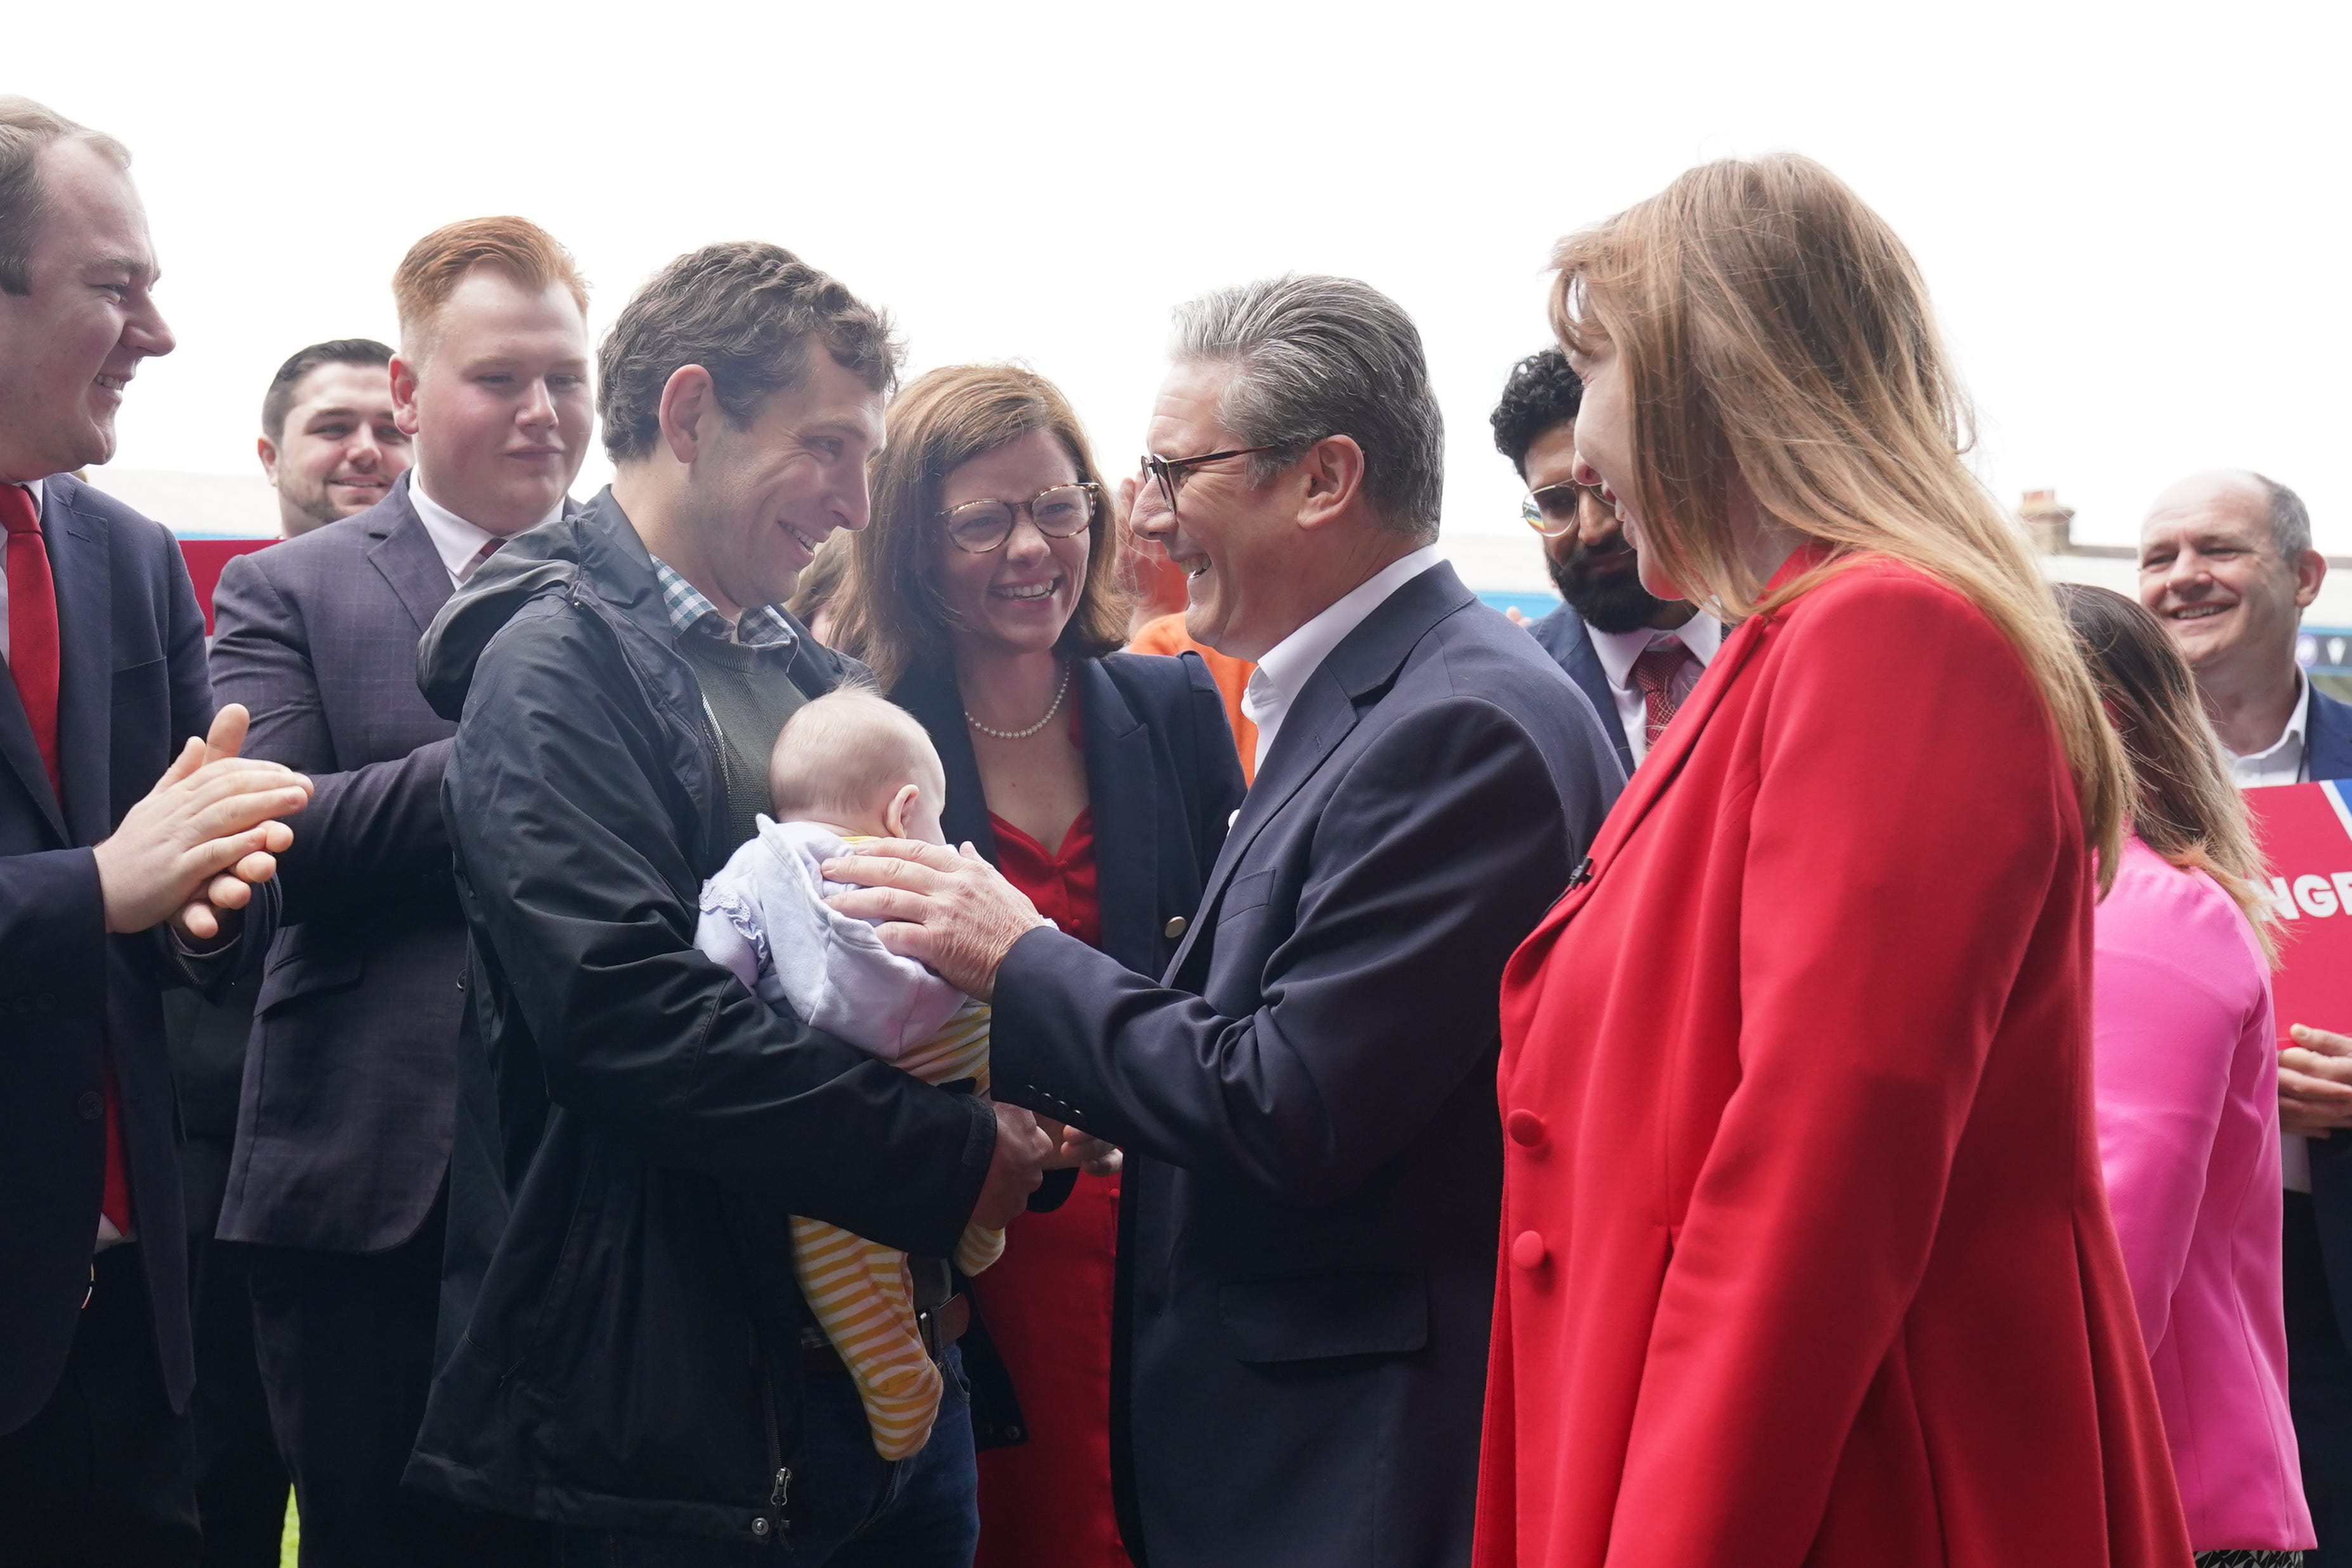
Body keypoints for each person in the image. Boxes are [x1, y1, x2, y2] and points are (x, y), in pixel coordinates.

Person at [825, 277, 1621, 1568]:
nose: (1144, 513)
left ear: (1324, 479)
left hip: (1352, 1447)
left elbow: (1287, 1101)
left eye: (1174, 470)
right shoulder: (1386, 693)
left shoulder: (1453, 725)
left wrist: (1015, 954)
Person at [1475, 154, 2190, 1567]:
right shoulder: (1814, 640)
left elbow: (1818, 1180)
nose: (1588, 454)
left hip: (1844, 1488)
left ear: (1703, 372)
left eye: (1595, 373)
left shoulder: (1885, 638)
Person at [407, 240, 1057, 1565]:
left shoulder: (816, 674)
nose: (856, 503)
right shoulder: (554, 661)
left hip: (884, 1391)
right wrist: (952, 1156)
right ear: (690, 412)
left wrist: (1047, 1096)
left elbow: (935, 935)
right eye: (827, 446)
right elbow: (623, 1015)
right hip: (682, 1424)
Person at [208, 216, 592, 1567]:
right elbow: (271, 839)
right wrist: (534, 744)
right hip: (369, 1192)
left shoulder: (657, 596)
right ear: (413, 394)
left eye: (568, 377)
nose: (545, 413)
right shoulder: (285, 589)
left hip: (602, 1178)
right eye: (501, 380)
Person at [823, 362, 1245, 1567]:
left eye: (1057, 508)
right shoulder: (857, 722)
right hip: (969, 1239)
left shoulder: (1168, 702)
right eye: (981, 519)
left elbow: (1221, 964)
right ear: (911, 544)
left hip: (1163, 1231)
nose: (1030, 547)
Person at [0, 95, 313, 1565]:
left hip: (129, 1333)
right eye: (115, 288)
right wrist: (100, 888)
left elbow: (183, 896)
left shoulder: (123, 557)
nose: (162, 333)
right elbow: (106, 876)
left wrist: (210, 896)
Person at [2060, 582, 2314, 1566]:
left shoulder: (2136, 912)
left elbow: (2120, 1254)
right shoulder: (2094, 894)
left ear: (2098, 718)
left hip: (2168, 1507)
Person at [696, 688, 1003, 1464]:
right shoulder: (918, 867)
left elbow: (717, 973)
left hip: (833, 1079)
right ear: (905, 810)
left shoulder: (755, 864)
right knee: (991, 1102)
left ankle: (894, 1377)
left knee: (837, 1252)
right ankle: (980, 1225)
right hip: (950, 1043)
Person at [2142, 471, 2352, 1564]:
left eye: (2214, 550)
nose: (2180, 578)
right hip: (2167, 1277)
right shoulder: (2083, 781)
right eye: (2157, 557)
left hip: (2326, 1267)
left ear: (2302, 577)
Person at [1487, 347, 1718, 773]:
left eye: (1607, 485)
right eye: (1555, 503)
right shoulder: (1512, 690)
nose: (1593, 530)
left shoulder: (1788, 643)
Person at [256, 338, 410, 537]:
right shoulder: (214, 569)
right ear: (272, 459)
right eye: (334, 428)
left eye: (391, 432)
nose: (366, 449)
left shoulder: (456, 568)